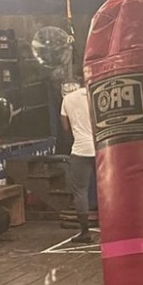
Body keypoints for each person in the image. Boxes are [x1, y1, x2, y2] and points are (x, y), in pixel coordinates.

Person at [60, 78, 95, 244]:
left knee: (80, 190)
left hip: (80, 149)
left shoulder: (67, 99)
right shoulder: (95, 94)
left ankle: (85, 232)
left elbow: (65, 127)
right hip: (101, 147)